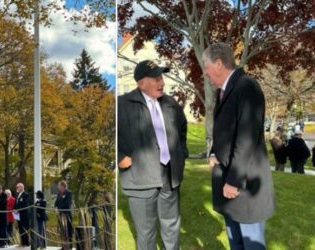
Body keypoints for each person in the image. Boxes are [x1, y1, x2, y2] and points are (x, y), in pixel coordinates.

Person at [203, 42, 275, 250]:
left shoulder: (246, 87)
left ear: (218, 64)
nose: (206, 74)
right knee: (236, 243)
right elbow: (225, 131)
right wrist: (214, 152)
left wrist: (234, 180)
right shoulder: (225, 91)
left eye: (206, 69)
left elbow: (246, 137)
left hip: (245, 184)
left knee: (250, 244)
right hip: (230, 182)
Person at [117, 59, 188, 250]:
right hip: (140, 178)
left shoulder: (170, 103)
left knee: (171, 227)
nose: (162, 82)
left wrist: (181, 153)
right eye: (156, 78)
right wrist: (118, 156)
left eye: (161, 77)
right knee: (146, 233)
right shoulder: (121, 104)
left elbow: (182, 130)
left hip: (169, 176)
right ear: (141, 83)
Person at [55, 181, 73, 250]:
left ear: (63, 186)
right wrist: (56, 207)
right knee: (62, 231)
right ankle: (63, 246)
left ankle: (69, 247)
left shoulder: (68, 193)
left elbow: (67, 204)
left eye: (59, 186)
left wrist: (58, 208)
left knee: (68, 231)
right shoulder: (59, 193)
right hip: (60, 215)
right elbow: (56, 202)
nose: (58, 187)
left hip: (66, 215)